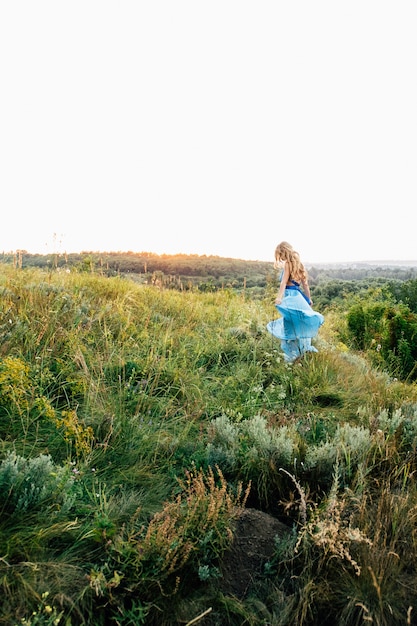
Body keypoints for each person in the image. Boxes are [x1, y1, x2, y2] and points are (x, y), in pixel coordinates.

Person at [266, 241, 324, 363]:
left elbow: (283, 282)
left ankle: (292, 356)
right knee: (300, 324)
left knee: (289, 325)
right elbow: (306, 285)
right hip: (299, 297)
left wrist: (279, 297)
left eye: (280, 255)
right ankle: (302, 352)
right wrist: (308, 300)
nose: (280, 258)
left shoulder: (288, 264)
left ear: (284, 252)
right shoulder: (300, 265)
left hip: (289, 297)